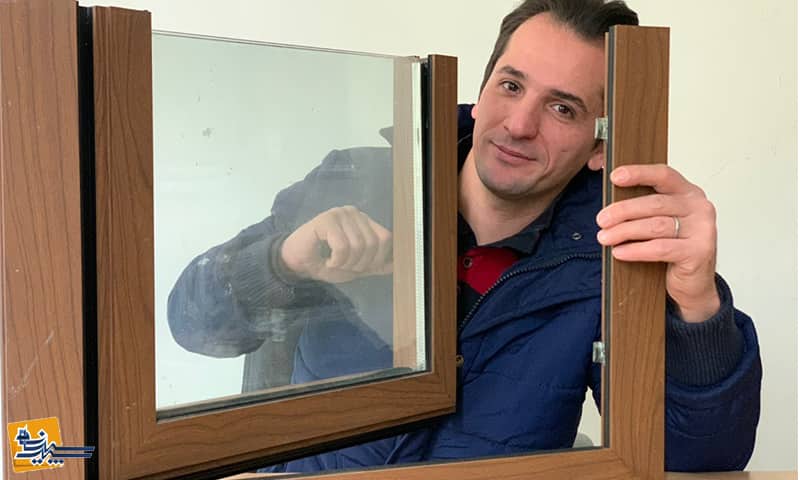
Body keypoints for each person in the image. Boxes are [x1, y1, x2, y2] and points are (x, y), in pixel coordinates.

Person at [167, 0, 761, 473]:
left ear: (599, 145)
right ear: (481, 92)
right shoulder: (352, 179)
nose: (519, 125)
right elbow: (191, 324)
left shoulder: (611, 257)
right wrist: (280, 263)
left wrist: (699, 306)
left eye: (562, 109)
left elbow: (700, 458)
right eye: (511, 86)